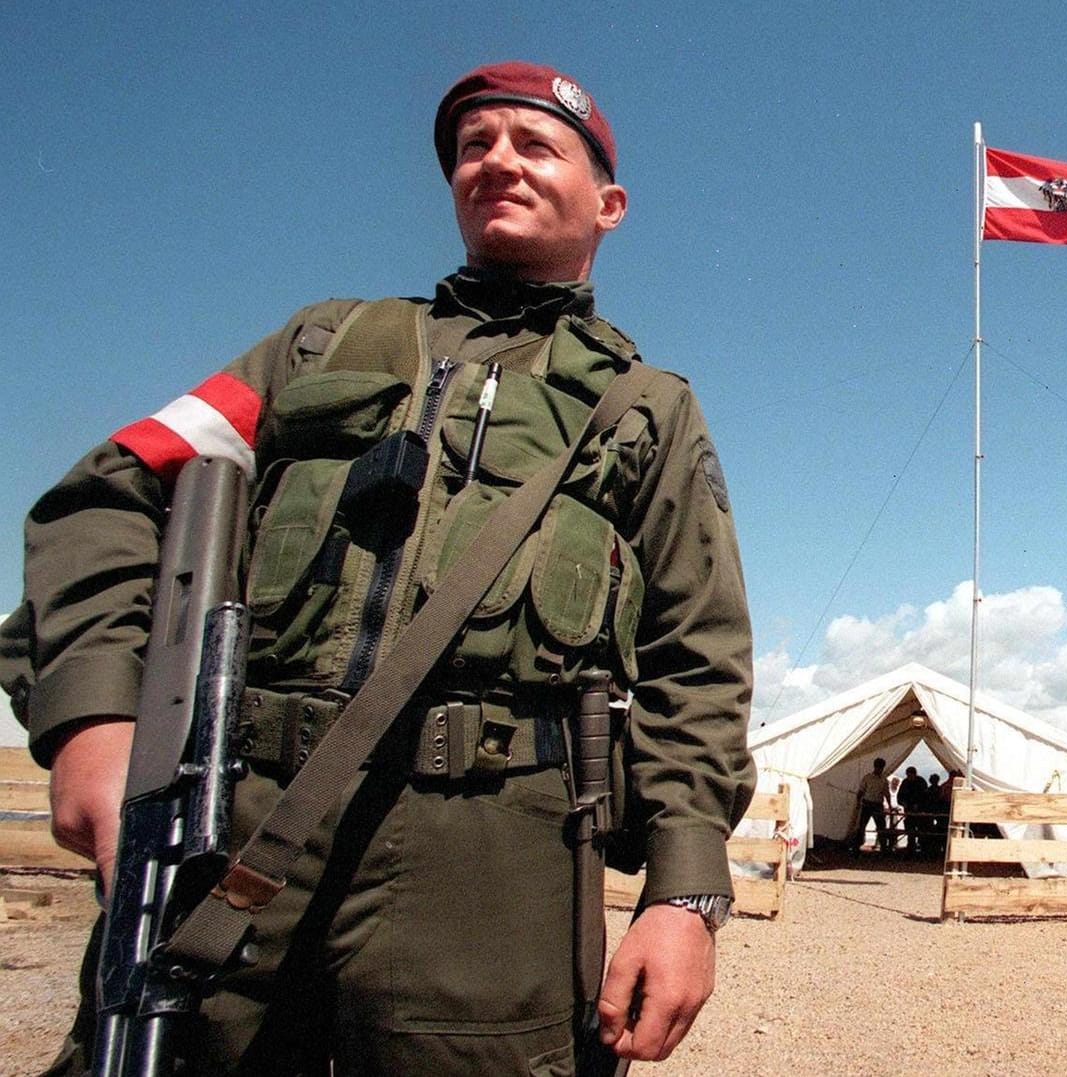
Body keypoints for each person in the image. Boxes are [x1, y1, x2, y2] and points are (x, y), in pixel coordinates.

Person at [1, 61, 755, 1074]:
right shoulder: (319, 344)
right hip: (236, 826)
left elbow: (698, 662)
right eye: (474, 146)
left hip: (490, 871)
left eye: (536, 145)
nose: (498, 161)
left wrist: (685, 893)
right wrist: (97, 716)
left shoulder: (647, 411)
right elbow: (112, 496)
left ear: (608, 204)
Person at [855, 757, 891, 852]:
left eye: (881, 768)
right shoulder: (868, 778)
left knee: (881, 827)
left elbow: (887, 794)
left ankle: (883, 846)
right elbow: (861, 791)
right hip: (867, 803)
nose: (880, 769)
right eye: (878, 767)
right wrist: (858, 802)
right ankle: (857, 845)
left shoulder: (883, 780)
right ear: (875, 767)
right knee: (862, 826)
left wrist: (890, 805)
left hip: (878, 804)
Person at [897, 766, 929, 854]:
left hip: (920, 812)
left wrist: (920, 806)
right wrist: (904, 803)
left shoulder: (921, 782)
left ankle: (922, 849)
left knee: (921, 831)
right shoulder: (905, 782)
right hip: (909, 812)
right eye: (908, 775)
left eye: (910, 775)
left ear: (915, 774)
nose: (909, 777)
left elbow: (925, 797)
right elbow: (899, 797)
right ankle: (911, 848)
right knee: (910, 831)